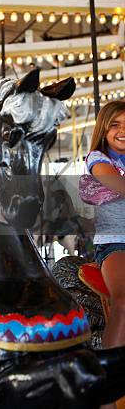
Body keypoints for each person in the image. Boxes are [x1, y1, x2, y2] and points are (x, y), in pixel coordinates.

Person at [85, 101, 125, 359]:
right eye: (116, 125)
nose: (123, 130)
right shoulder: (99, 159)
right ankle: (108, 388)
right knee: (123, 301)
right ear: (103, 129)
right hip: (116, 243)